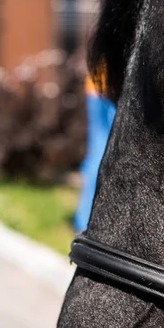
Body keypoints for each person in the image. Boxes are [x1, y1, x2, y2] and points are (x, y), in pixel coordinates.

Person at [73, 75, 115, 232]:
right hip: (115, 88)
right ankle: (92, 224)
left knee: (97, 151)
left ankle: (83, 221)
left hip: (95, 86)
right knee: (106, 156)